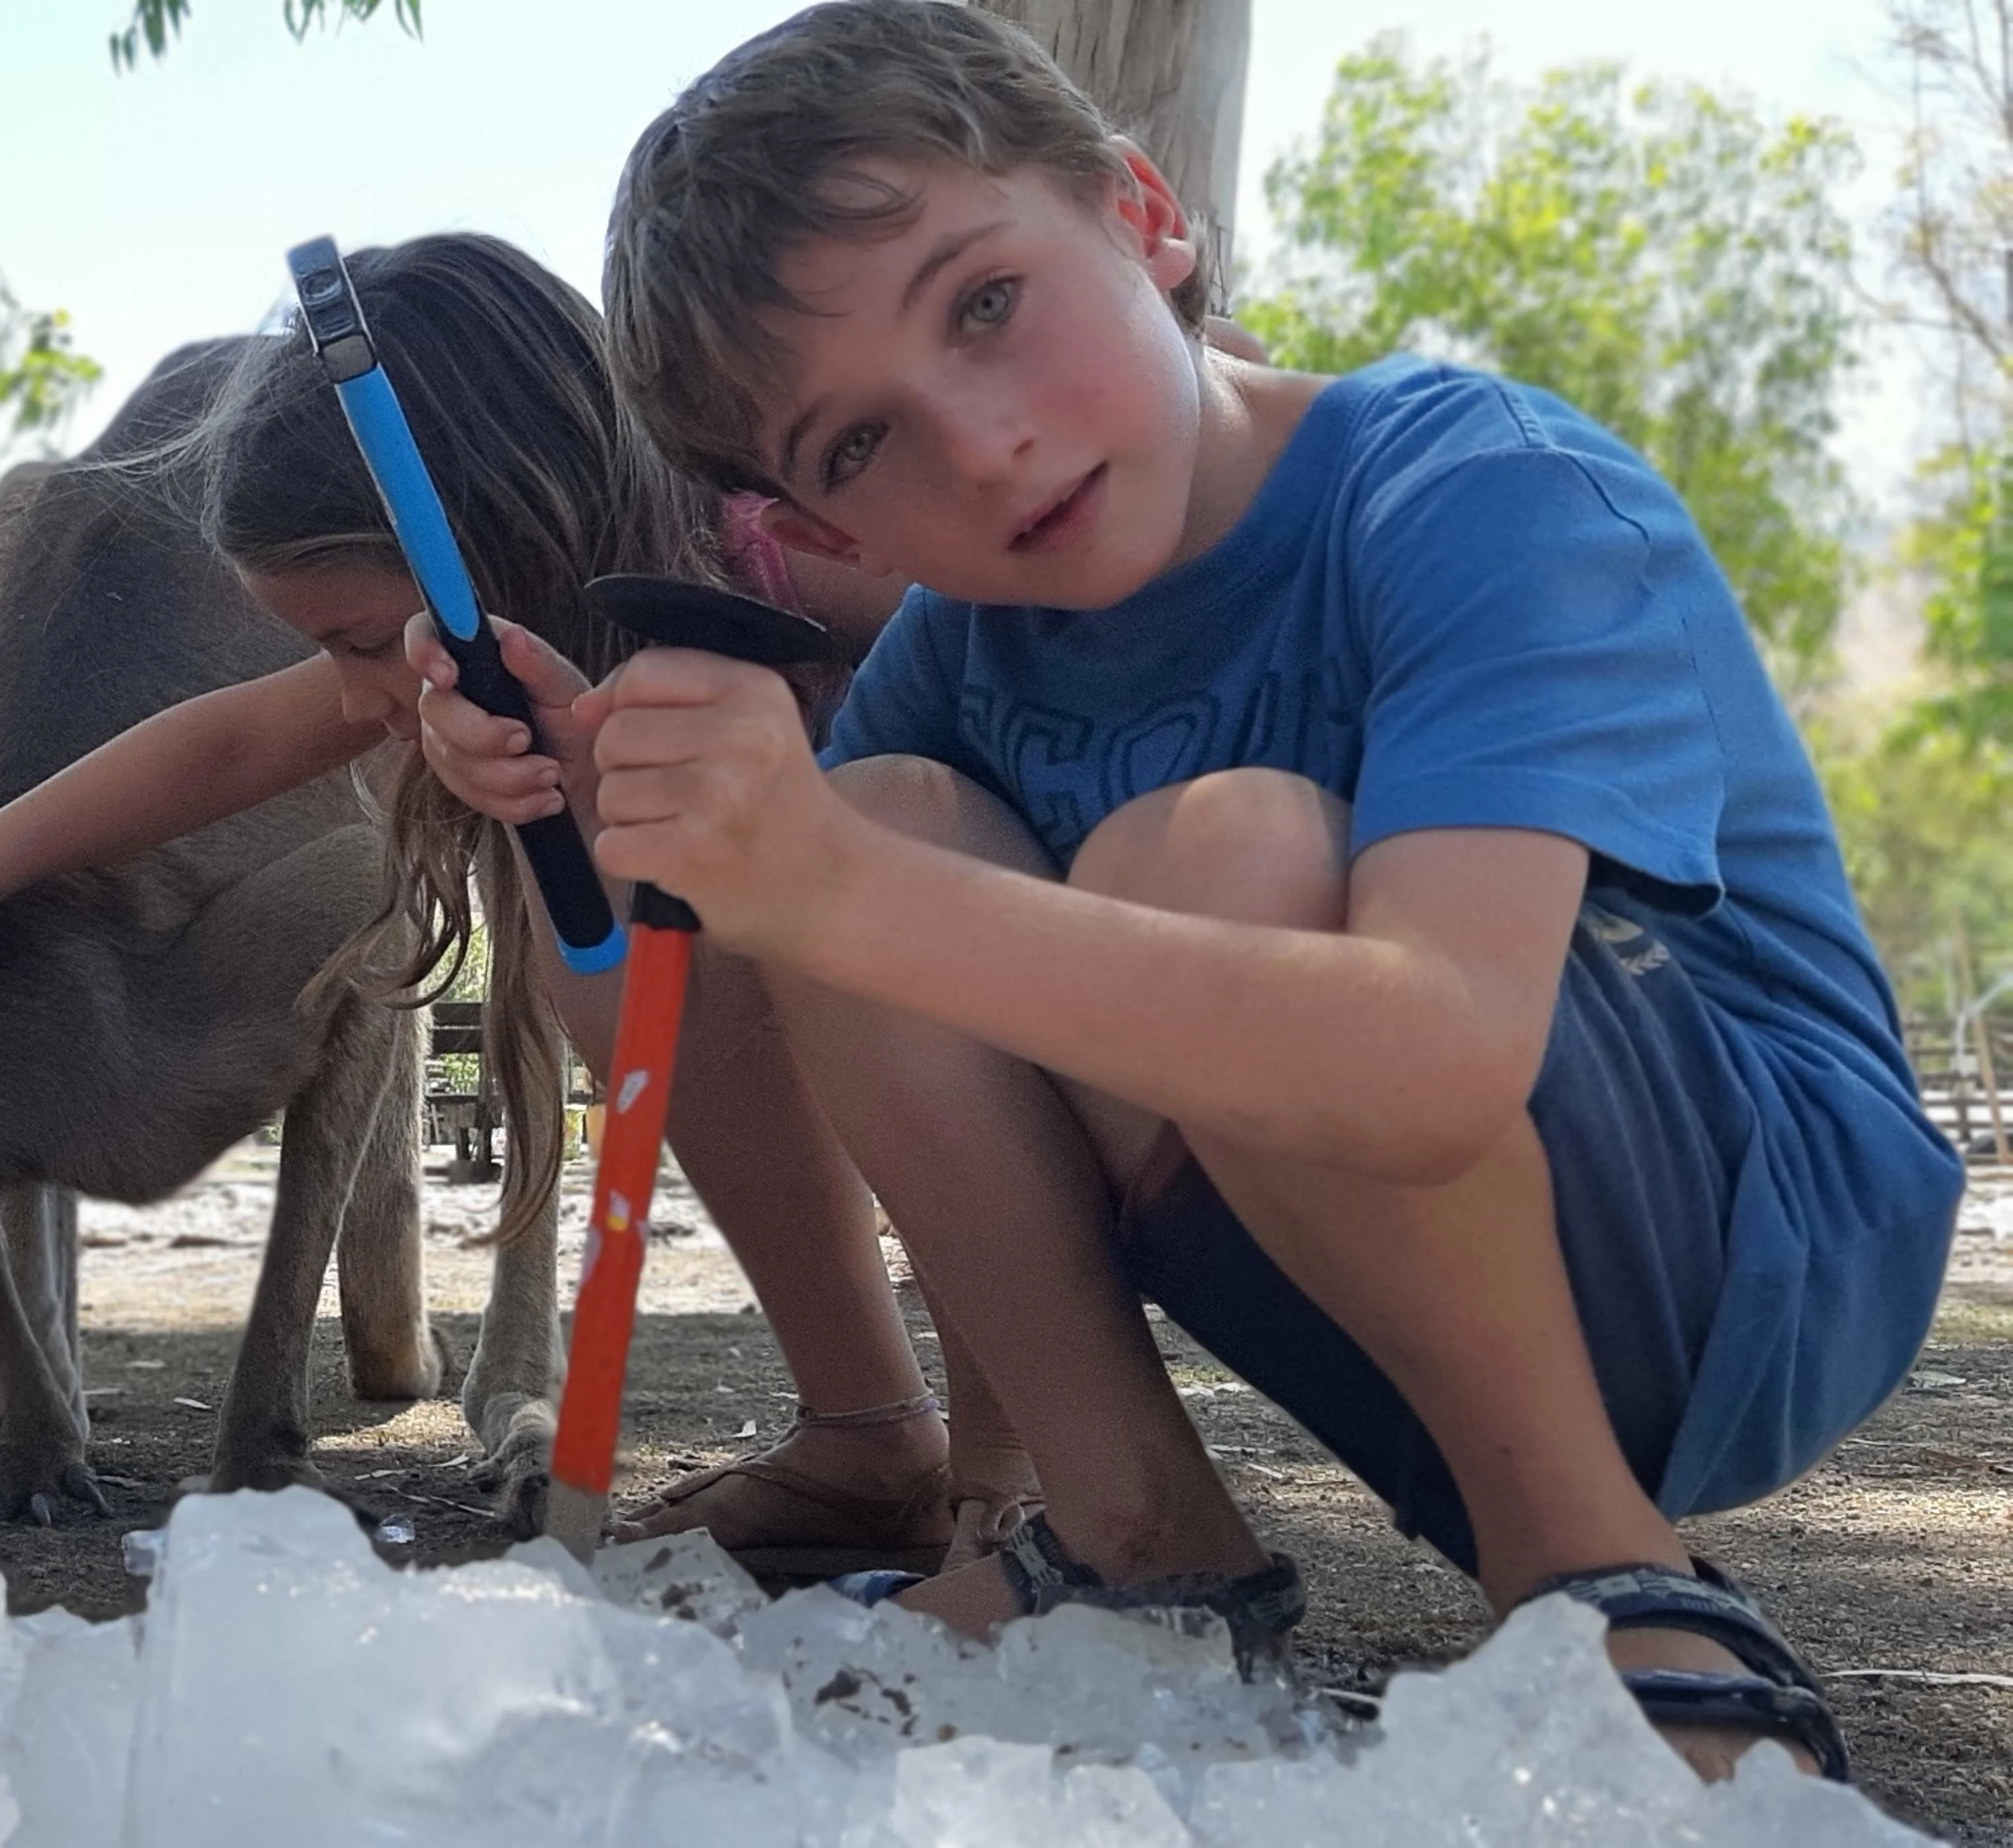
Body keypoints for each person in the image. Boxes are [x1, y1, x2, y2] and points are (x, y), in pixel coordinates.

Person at [561, 0, 1957, 1780]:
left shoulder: (1477, 486)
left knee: (1207, 849)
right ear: (825, 533)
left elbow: (1438, 1057)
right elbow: (791, 983)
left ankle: (1596, 1575)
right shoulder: (950, 661)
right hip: (1364, 1282)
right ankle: (1140, 1550)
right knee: (886, 816)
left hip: (1759, 1256)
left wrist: (833, 887)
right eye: (856, 444)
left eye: (985, 303)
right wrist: (597, 800)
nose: (979, 445)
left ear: (1144, 215)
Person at [0, 232, 1043, 1579]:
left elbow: (996, 721)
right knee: (594, 928)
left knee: (855, 922)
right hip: (839, 952)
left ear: (488, 537)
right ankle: (868, 1437)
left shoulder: (795, 558)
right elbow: (230, 742)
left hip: (1037, 977)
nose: (350, 692)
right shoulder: (485, 650)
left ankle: (1018, 1485)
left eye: (351, 640)